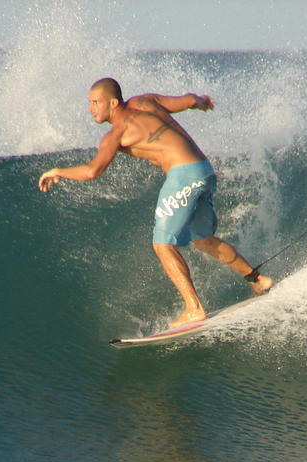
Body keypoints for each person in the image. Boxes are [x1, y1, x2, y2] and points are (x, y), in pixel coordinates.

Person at [38, 77, 271, 328]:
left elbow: (92, 171)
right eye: (89, 103)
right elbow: (190, 100)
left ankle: (194, 308)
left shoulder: (116, 133)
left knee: (162, 245)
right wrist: (203, 102)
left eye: (96, 102)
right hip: (204, 170)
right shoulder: (145, 101)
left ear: (113, 103)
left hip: (183, 175)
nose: (90, 108)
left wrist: (57, 171)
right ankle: (257, 279)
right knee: (204, 240)